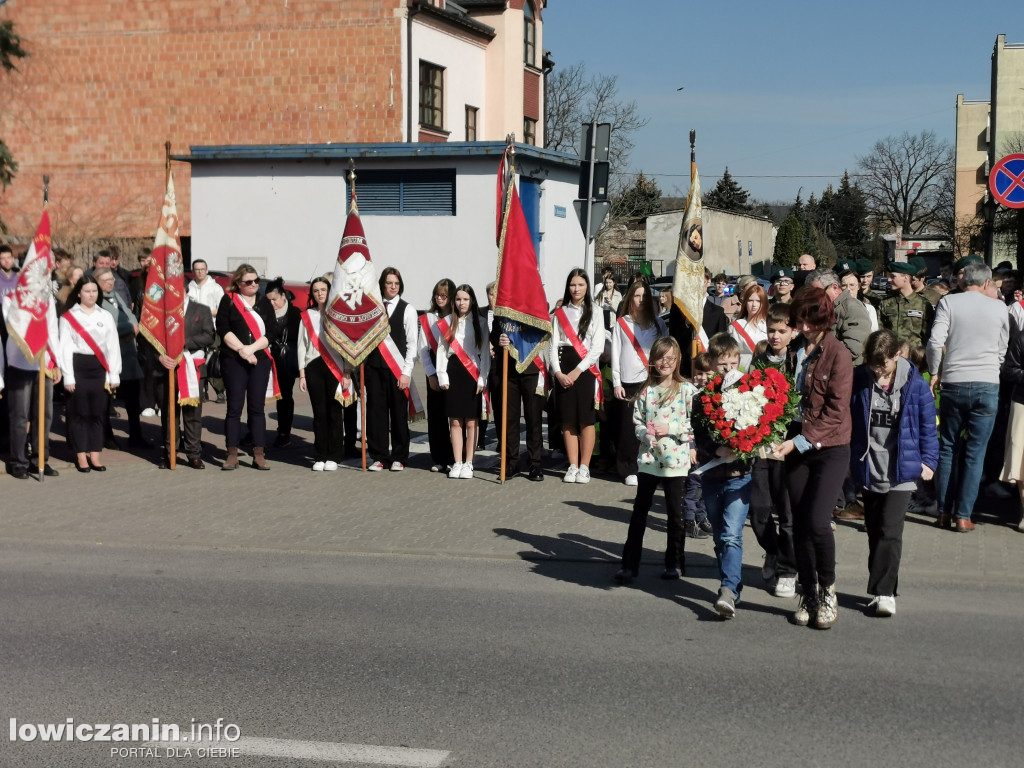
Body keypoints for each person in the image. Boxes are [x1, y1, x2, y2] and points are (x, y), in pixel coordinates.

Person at [773, 287, 853, 630]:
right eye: (798, 319)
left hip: (829, 447)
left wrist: (800, 442)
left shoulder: (839, 355)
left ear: (822, 318)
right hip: (795, 444)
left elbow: (836, 412)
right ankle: (808, 591)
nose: (801, 325)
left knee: (819, 521)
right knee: (799, 524)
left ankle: (828, 591)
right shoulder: (794, 352)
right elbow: (782, 398)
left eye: (807, 319)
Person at [850, 330, 938, 617]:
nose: (877, 371)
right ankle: (880, 586)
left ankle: (884, 593)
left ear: (897, 356)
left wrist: (929, 461)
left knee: (890, 530)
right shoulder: (861, 379)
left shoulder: (915, 384)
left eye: (883, 365)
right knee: (875, 531)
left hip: (903, 469)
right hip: (870, 465)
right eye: (873, 365)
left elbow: (928, 424)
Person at [927, 261, 1009, 532]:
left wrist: (935, 371)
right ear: (987, 283)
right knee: (976, 452)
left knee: (948, 447)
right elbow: (1002, 347)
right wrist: (991, 369)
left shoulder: (950, 303)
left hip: (954, 382)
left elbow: (935, 342)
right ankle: (964, 515)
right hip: (987, 383)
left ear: (964, 281)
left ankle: (943, 511)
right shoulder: (999, 307)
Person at [615, 337, 696, 585]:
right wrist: (644, 434)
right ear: (653, 361)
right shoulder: (645, 391)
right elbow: (637, 422)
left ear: (678, 360)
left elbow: (695, 426)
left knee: (675, 515)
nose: (665, 362)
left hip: (675, 461)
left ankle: (675, 563)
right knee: (640, 512)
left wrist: (670, 427)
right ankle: (629, 565)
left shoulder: (687, 390)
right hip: (649, 460)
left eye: (671, 358)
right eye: (661, 357)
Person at [693, 332, 753, 619]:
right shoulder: (702, 398)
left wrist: (745, 446)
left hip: (740, 474)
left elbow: (756, 431)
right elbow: (700, 437)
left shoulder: (748, 395)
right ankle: (733, 584)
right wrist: (716, 449)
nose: (728, 369)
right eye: (722, 364)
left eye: (733, 362)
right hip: (712, 475)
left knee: (732, 534)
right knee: (719, 535)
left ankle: (728, 590)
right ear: (712, 364)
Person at [747, 302, 799, 597]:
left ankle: (788, 571)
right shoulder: (759, 360)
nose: (776, 336)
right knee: (759, 512)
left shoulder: (798, 359)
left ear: (793, 332)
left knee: (788, 513)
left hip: (789, 446)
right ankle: (774, 550)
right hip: (762, 446)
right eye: (771, 330)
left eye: (782, 331)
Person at [216, 264, 280, 471]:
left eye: (256, 281)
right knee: (234, 408)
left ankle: (258, 453)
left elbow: (271, 333)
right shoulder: (229, 300)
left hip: (259, 360)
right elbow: (223, 329)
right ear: (238, 284)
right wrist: (242, 351)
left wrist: (251, 350)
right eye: (248, 282)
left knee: (257, 408)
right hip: (234, 360)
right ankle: (232, 454)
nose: (253, 285)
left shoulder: (264, 302)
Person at [58, 275, 123, 472]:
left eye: (94, 291)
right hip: (78, 366)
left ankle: (95, 454)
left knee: (97, 412)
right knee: (79, 413)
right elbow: (65, 348)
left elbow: (113, 347)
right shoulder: (69, 317)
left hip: (99, 368)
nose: (91, 294)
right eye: (87, 291)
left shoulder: (105, 316)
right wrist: (68, 376)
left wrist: (114, 374)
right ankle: (81, 456)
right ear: (79, 293)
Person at [146, 294, 216, 469]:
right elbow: (149, 338)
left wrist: (183, 343)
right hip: (166, 367)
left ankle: (194, 454)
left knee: (193, 414)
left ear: (183, 290)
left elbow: (210, 336)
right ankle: (170, 453)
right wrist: (159, 357)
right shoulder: (159, 311)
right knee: (170, 414)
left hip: (192, 366)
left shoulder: (201, 309)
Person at [549, 268, 605, 484]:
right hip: (563, 367)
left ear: (587, 286)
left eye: (581, 284)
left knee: (586, 419)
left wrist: (577, 371)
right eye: (573, 285)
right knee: (567, 420)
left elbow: (597, 347)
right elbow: (553, 346)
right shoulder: (559, 313)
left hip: (585, 370)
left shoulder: (597, 312)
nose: (576, 289)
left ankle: (584, 466)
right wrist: (557, 372)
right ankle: (572, 465)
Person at [610, 280, 666, 486]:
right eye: (636, 296)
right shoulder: (622, 323)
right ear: (630, 298)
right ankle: (628, 468)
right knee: (629, 428)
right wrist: (616, 382)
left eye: (644, 296)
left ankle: (652, 465)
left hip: (651, 381)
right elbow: (616, 353)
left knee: (651, 426)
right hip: (628, 382)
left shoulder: (658, 324)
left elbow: (666, 353)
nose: (641, 300)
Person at [364, 267, 420, 472]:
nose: (393, 287)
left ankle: (399, 456)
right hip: (374, 368)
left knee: (398, 415)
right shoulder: (374, 308)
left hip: (397, 371)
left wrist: (406, 372)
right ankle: (378, 456)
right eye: (389, 283)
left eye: (396, 283)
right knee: (376, 414)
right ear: (383, 285)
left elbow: (412, 344)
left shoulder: (408, 310)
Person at [298, 276, 354, 472]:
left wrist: (347, 370)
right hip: (313, 366)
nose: (320, 293)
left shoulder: (339, 314)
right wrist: (302, 374)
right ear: (312, 294)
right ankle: (320, 454)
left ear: (329, 291)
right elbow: (301, 346)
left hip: (336, 367)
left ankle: (334, 455)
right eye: (316, 290)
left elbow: (347, 344)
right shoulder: (307, 316)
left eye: (323, 289)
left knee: (334, 412)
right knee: (319, 413)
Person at [2, 293, 61, 478]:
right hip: (20, 361)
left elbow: (52, 330)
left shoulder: (48, 297)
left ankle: (40, 459)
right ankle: (18, 462)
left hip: (44, 363)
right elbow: (13, 326)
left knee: (44, 415)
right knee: (20, 415)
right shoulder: (11, 297)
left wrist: (58, 362)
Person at [436, 284, 489, 480]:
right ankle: (457, 462)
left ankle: (469, 462)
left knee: (471, 422)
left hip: (472, 373)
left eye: (465, 299)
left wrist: (483, 377)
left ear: (472, 301)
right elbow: (442, 350)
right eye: (458, 299)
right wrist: (442, 374)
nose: (461, 303)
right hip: (453, 371)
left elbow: (484, 352)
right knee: (455, 421)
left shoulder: (481, 322)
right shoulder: (447, 321)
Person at [95, 267, 146, 448]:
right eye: (107, 280)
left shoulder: (116, 296)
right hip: (112, 355)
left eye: (112, 279)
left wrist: (133, 328)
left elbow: (132, 316)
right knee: (107, 400)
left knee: (133, 399)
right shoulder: (98, 300)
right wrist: (130, 329)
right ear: (98, 283)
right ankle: (106, 436)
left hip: (129, 355)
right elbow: (107, 326)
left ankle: (136, 435)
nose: (112, 282)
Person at [493, 310, 546, 483]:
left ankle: (535, 463)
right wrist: (499, 340)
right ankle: (512, 462)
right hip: (508, 371)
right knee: (509, 419)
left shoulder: (531, 305)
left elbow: (541, 332)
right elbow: (494, 334)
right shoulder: (502, 310)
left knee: (533, 418)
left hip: (530, 368)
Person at [419, 278, 457, 473]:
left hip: (455, 371)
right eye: (437, 295)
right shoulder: (428, 318)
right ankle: (439, 457)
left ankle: (456, 457)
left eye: (444, 295)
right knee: (436, 416)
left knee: (456, 416)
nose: (440, 298)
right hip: (434, 370)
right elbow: (423, 350)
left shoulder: (458, 317)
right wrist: (431, 375)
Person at [265, 278, 302, 448]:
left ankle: (284, 432)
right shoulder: (264, 313)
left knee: (285, 396)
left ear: (284, 296)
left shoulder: (295, 314)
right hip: (267, 359)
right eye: (269, 300)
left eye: (275, 299)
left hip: (286, 362)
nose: (272, 303)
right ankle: (253, 431)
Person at [187, 259, 226, 403]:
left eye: (202, 269)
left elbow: (222, 309)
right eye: (197, 269)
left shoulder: (215, 288)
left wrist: (205, 314)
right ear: (193, 272)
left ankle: (220, 391)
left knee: (212, 360)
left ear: (207, 270)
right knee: (198, 361)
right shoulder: (189, 287)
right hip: (193, 331)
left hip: (212, 329)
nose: (200, 271)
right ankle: (201, 390)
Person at [879, 261, 934, 349]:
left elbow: (928, 335)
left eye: (893, 276)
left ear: (906, 277)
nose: (889, 279)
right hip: (892, 354)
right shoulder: (886, 303)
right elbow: (881, 331)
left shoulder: (923, 304)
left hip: (914, 356)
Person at [728, 282, 768, 371]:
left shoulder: (769, 326)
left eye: (758, 301)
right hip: (741, 369)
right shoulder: (735, 327)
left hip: (764, 369)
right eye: (750, 300)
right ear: (745, 303)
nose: (754, 305)